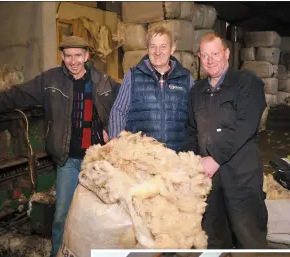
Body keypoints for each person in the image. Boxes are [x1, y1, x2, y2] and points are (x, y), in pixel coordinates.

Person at [0, 36, 120, 256]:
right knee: (62, 215)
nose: (73, 61)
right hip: (67, 161)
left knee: (99, 217)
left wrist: (115, 129)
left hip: (97, 163)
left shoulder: (104, 82)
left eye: (78, 55)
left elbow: (126, 107)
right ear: (62, 56)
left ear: (87, 55)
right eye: (68, 56)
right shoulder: (50, 80)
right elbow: (16, 95)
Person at [183, 32, 268, 249]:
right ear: (199, 58)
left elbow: (244, 127)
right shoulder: (197, 91)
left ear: (226, 53)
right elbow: (191, 130)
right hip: (209, 181)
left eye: (215, 53)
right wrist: (194, 163)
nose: (210, 60)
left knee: (248, 238)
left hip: (241, 177)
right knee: (213, 239)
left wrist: (215, 159)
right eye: (205, 55)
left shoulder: (246, 83)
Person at [108, 26, 193, 151]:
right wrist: (115, 140)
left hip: (176, 158)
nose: (157, 52)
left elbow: (195, 117)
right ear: (147, 49)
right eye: (153, 46)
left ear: (172, 48)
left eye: (163, 47)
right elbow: (119, 111)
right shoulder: (133, 76)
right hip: (141, 159)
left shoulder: (186, 78)